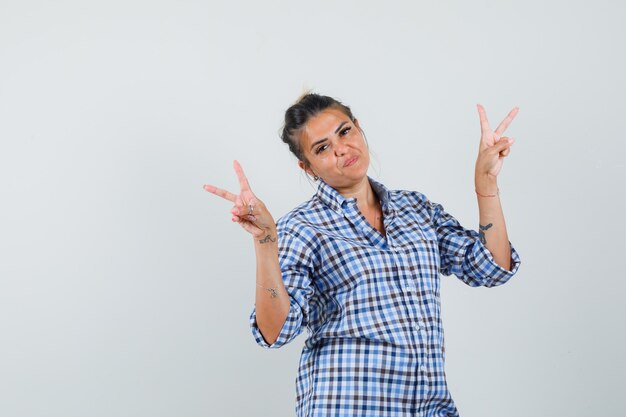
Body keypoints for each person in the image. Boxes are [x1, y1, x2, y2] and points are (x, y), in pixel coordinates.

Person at [203, 93, 521, 417]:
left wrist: (486, 184)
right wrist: (266, 242)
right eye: (322, 148)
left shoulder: (416, 209)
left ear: (358, 127)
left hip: (430, 408)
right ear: (308, 167)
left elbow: (491, 267)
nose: (341, 148)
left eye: (344, 132)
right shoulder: (303, 228)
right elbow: (275, 331)